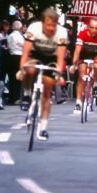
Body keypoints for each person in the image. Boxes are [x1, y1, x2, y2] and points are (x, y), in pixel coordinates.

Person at [18, 8, 68, 141]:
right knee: (29, 69)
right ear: (42, 23)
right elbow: (25, 52)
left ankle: (43, 128)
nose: (51, 28)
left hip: (51, 58)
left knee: (47, 90)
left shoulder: (62, 33)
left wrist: (59, 74)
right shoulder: (34, 28)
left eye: (53, 25)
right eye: (48, 25)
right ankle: (27, 94)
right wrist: (21, 69)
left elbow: (60, 58)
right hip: (35, 54)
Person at [71, 18, 97, 113]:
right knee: (81, 75)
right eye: (92, 27)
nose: (94, 30)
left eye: (96, 28)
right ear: (88, 27)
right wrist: (74, 64)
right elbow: (77, 51)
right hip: (84, 54)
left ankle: (96, 81)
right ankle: (78, 102)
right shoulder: (82, 34)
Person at [4, 21, 25, 104]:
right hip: (18, 56)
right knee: (18, 77)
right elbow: (24, 45)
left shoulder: (9, 36)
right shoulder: (18, 36)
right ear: (20, 27)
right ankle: (16, 97)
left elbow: (9, 46)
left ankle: (12, 97)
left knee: (12, 77)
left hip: (11, 56)